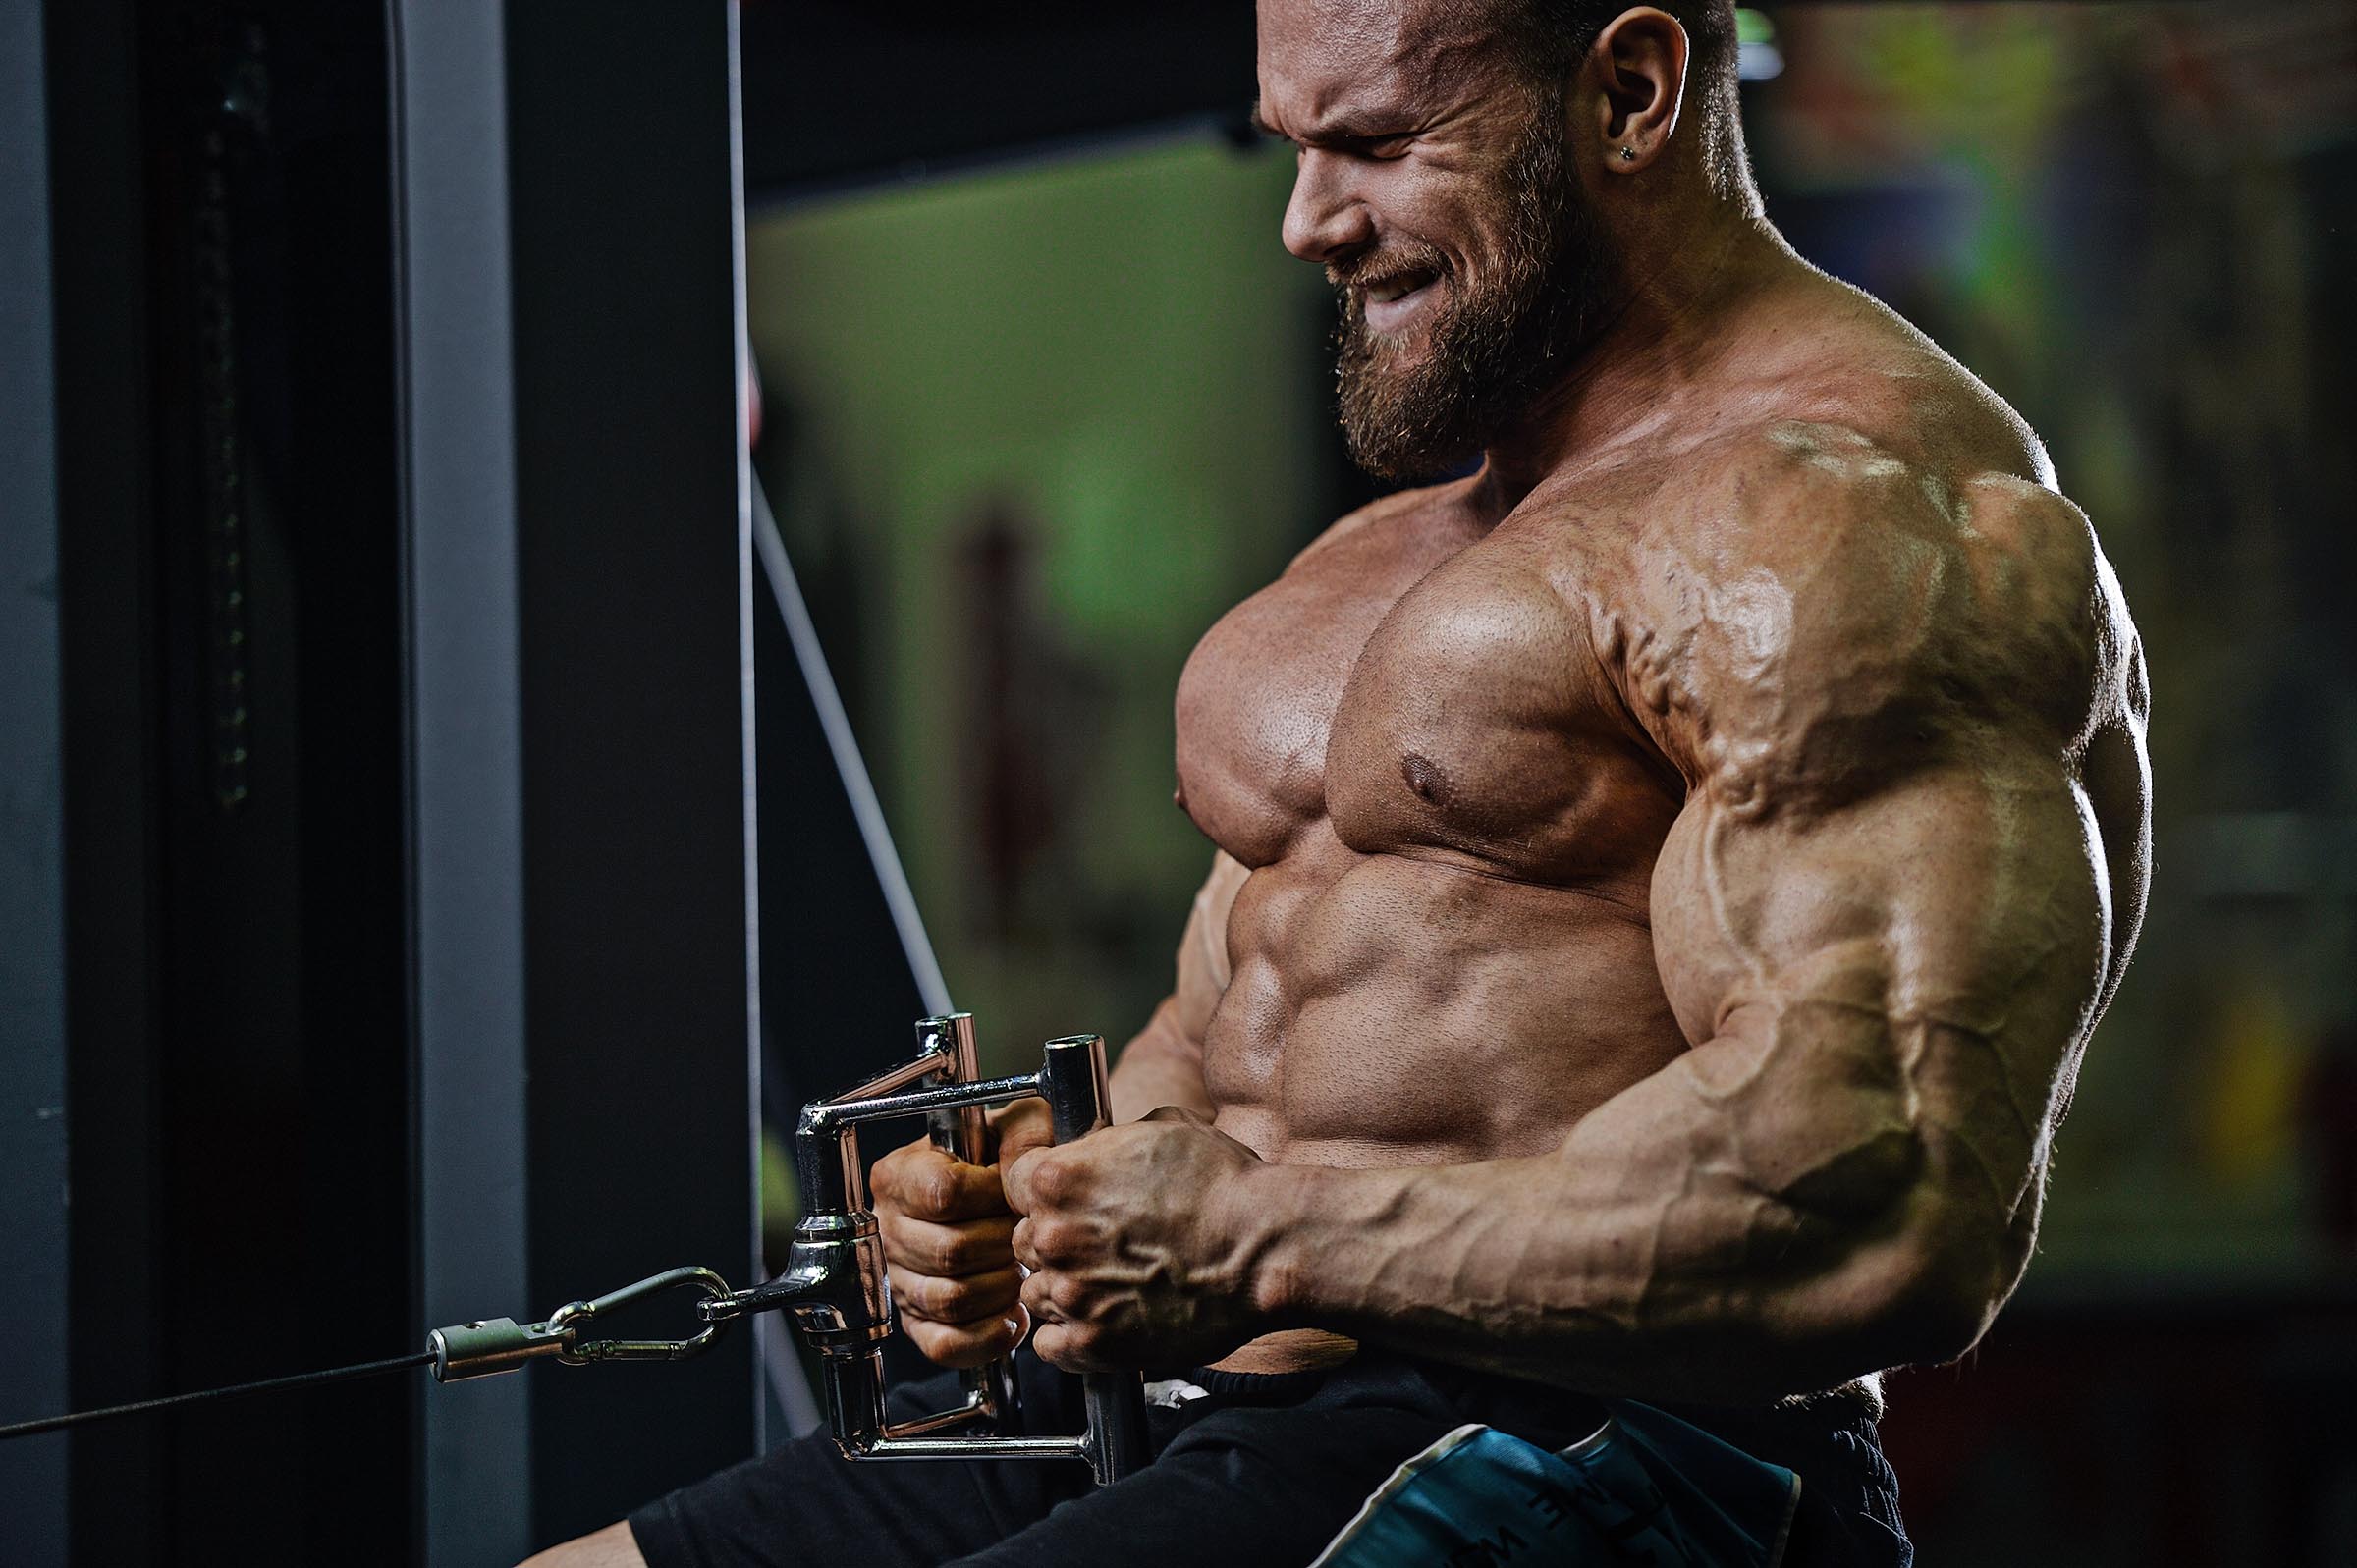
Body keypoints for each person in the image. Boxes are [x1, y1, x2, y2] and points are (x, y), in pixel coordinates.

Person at [534, 1, 2149, 1563]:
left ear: (1634, 95)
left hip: (1581, 1438)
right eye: (1288, 144)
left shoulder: (1850, 525)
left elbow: (1889, 1197)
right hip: (1181, 1411)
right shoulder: (1393, 559)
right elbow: (1237, 1048)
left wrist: (1251, 1236)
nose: (1307, 220)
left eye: (1377, 142)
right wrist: (1029, 1202)